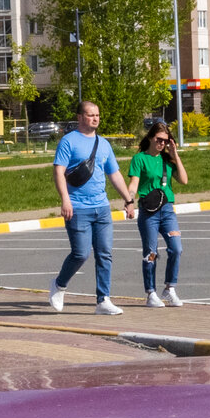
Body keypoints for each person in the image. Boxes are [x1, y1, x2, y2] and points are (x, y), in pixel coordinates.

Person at [48, 100, 133, 315]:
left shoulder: (103, 144)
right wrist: (65, 199)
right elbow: (59, 172)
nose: (95, 118)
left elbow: (114, 174)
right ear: (79, 117)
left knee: (104, 254)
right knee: (81, 253)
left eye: (97, 115)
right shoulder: (69, 141)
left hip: (102, 208)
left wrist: (128, 200)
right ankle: (59, 285)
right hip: (77, 208)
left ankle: (103, 300)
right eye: (90, 114)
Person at [128, 117, 187, 309]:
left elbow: (184, 180)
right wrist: (129, 200)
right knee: (151, 253)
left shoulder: (167, 160)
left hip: (167, 209)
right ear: (151, 138)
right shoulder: (139, 159)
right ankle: (151, 293)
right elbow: (134, 183)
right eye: (159, 140)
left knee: (176, 248)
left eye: (165, 140)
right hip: (149, 212)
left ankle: (170, 288)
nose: (162, 143)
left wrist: (175, 154)